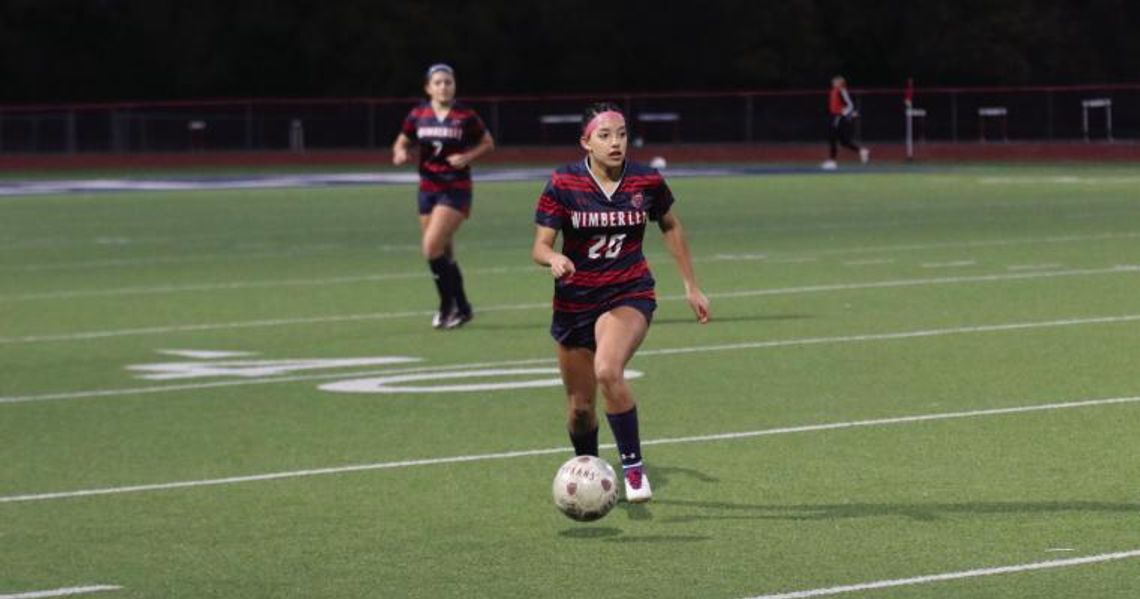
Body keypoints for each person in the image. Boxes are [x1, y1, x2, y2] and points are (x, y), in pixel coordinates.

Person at [532, 102, 710, 503]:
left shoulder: (646, 180)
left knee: (608, 370)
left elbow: (670, 223)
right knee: (580, 410)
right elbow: (539, 246)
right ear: (586, 142)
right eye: (605, 135)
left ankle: (633, 469)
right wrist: (555, 258)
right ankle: (589, 474)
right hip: (575, 302)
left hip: (628, 292)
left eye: (622, 133)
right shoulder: (563, 182)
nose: (615, 142)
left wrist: (691, 285)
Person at [392, 63, 495, 329]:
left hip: (455, 188)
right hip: (427, 188)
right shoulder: (418, 114)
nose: (443, 87)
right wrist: (400, 153)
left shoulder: (465, 115)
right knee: (443, 252)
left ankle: (448, 306)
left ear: (454, 86)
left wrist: (467, 156)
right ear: (428, 88)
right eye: (437, 82)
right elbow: (402, 140)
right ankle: (460, 307)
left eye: (448, 82)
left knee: (430, 248)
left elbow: (487, 142)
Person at [822, 75, 870, 170]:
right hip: (834, 116)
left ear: (840, 83)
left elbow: (850, 105)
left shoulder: (841, 90)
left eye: (835, 81)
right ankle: (862, 151)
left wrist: (844, 113)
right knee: (844, 141)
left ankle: (832, 161)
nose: (833, 82)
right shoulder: (834, 91)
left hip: (838, 117)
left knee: (832, 137)